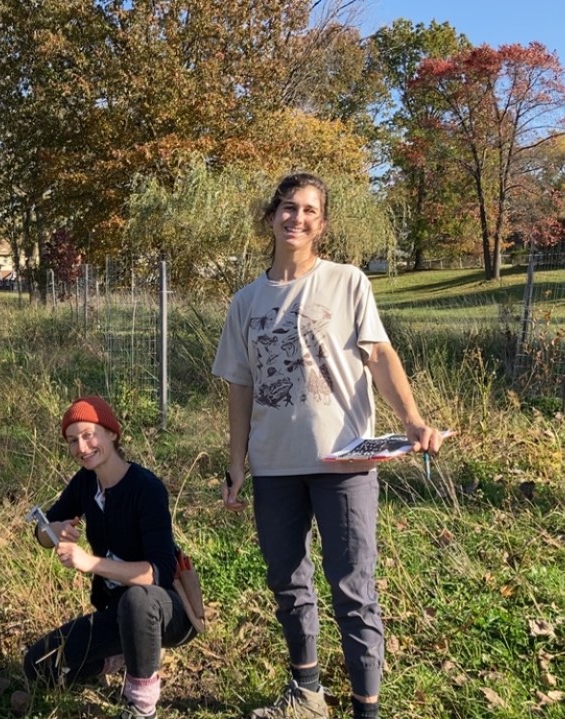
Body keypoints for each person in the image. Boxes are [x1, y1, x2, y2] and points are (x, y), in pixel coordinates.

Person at [211, 173, 445, 719]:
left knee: (352, 587)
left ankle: (367, 709)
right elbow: (240, 387)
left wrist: (411, 419)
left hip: (344, 460)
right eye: (288, 208)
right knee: (286, 581)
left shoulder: (347, 283)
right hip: (274, 466)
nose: (298, 218)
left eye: (310, 211)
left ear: (323, 223)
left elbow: (380, 356)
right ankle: (307, 693)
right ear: (270, 217)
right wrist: (236, 464)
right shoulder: (245, 302)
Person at [24, 397, 198, 719]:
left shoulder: (146, 488)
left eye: (89, 434)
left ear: (111, 434)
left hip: (166, 611)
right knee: (38, 665)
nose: (82, 446)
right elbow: (43, 533)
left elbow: (157, 572)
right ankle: (117, 658)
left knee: (137, 599)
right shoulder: (85, 483)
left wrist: (90, 563)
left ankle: (141, 706)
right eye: (72, 440)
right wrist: (53, 530)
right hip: (117, 614)